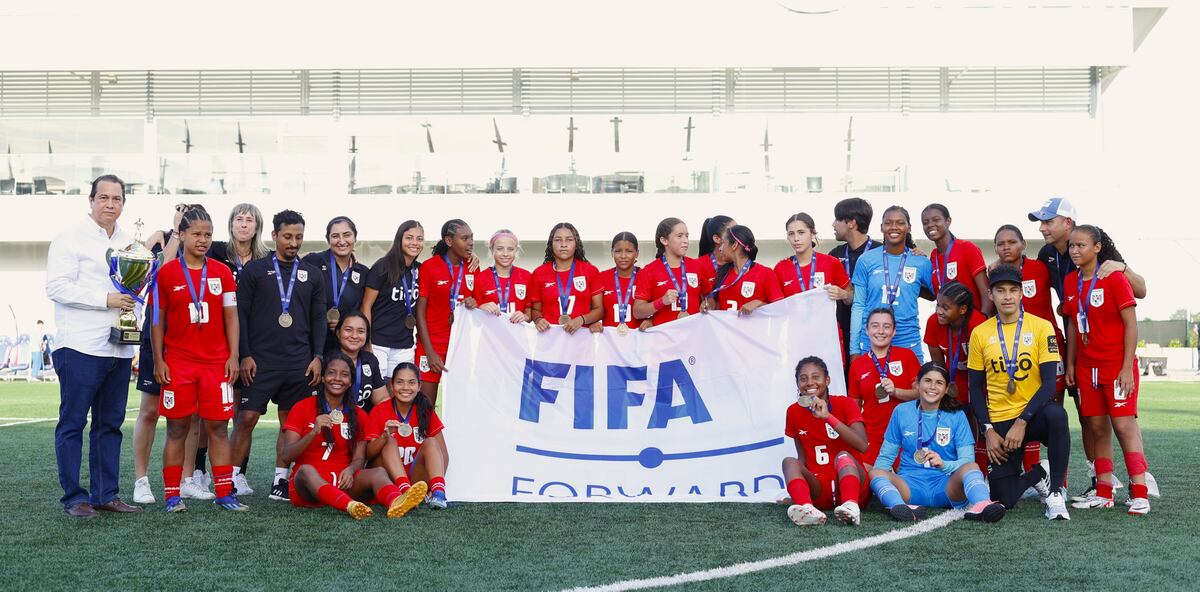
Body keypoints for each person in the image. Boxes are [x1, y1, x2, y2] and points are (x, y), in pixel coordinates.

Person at [1028, 197, 1156, 501]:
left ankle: (1141, 480)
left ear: (1068, 224)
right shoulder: (1048, 255)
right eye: (1041, 222)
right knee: (1091, 418)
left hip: (1110, 350)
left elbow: (1141, 291)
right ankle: (1100, 480)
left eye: (1048, 221)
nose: (1043, 228)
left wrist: (1121, 267)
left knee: (1123, 421)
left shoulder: (1104, 256)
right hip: (1081, 350)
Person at [45, 174, 143, 517]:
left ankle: (106, 494)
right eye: (104, 198)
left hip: (119, 347)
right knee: (73, 422)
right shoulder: (69, 238)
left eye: (116, 199)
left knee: (110, 424)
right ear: (91, 200)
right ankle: (75, 497)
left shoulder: (131, 243)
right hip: (79, 345)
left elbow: (135, 293)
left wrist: (134, 313)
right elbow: (57, 287)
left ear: (123, 204)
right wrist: (106, 299)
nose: (110, 204)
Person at [149, 207, 247, 512]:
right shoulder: (166, 273)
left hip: (216, 363)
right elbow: (157, 320)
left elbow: (232, 318)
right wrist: (158, 360)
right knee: (178, 429)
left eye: (208, 234)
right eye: (196, 234)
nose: (203, 240)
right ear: (182, 235)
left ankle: (224, 494)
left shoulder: (222, 272)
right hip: (178, 363)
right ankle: (172, 496)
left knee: (219, 428)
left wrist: (233, 355)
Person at [232, 209, 326, 502]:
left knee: (291, 422)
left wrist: (318, 356)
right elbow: (241, 317)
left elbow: (319, 319)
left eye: (298, 237)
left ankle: (280, 482)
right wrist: (244, 355)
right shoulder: (255, 271)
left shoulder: (311, 273)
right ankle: (232, 479)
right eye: (287, 236)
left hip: (299, 362)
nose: (293, 242)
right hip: (260, 360)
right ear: (274, 236)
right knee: (246, 418)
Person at [967, 264, 1070, 520]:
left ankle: (1056, 493)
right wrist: (988, 430)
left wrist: (1023, 421)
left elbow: (1049, 384)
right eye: (1000, 291)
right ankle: (1039, 474)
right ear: (991, 295)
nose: (1007, 296)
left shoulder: (1041, 327)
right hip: (1000, 421)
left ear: (1022, 293)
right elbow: (975, 389)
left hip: (1032, 417)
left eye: (1013, 290)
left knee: (1058, 416)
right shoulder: (980, 333)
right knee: (1005, 499)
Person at [1063, 225, 1152, 515]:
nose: (1075, 251)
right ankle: (1103, 491)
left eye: (1082, 245)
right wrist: (1073, 363)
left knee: (1124, 426)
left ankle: (1140, 493)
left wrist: (1127, 367)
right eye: (1072, 246)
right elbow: (1075, 327)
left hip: (1116, 366)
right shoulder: (1069, 282)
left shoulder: (1113, 277)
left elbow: (1131, 324)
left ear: (1097, 247)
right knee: (1098, 428)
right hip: (1088, 369)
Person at [280, 354, 428, 519]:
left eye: (344, 375)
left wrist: (351, 470)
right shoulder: (302, 407)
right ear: (322, 377)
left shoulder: (359, 415)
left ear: (351, 381)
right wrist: (313, 432)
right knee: (305, 470)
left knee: (377, 472)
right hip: (308, 487)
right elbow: (286, 455)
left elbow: (359, 458)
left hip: (343, 481)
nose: (337, 378)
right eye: (331, 373)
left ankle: (397, 501)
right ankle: (349, 505)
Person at [869, 362, 1006, 522]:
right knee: (875, 472)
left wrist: (944, 465)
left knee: (971, 467)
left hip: (946, 486)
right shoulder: (901, 411)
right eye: (927, 381)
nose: (932, 387)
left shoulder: (957, 415)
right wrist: (878, 484)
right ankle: (899, 507)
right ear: (917, 384)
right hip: (909, 486)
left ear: (946, 389)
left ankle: (983, 505)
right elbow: (886, 458)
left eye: (939, 382)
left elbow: (967, 460)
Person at [133, 203, 205, 505]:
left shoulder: (203, 246)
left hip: (191, 341)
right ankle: (141, 479)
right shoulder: (159, 240)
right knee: (150, 411)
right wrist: (173, 232)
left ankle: (188, 478)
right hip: (158, 335)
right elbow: (163, 275)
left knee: (192, 415)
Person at [207, 203, 269, 494]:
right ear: (230, 224)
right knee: (211, 411)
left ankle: (238, 472)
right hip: (214, 337)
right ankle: (198, 471)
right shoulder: (215, 252)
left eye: (250, 220)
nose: (244, 225)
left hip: (252, 341)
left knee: (245, 410)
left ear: (257, 226)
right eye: (239, 219)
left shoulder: (267, 259)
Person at [782, 356, 870, 526]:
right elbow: (803, 458)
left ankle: (851, 507)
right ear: (797, 383)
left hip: (851, 483)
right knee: (789, 462)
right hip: (819, 489)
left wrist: (828, 417)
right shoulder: (793, 412)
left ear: (827, 380)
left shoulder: (846, 403)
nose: (809, 382)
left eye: (816, 377)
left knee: (843, 455)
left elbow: (862, 445)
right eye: (803, 378)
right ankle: (807, 509)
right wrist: (798, 492)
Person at [850, 205, 934, 363]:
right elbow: (859, 305)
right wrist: (854, 349)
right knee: (871, 388)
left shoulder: (921, 262)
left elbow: (937, 295)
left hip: (907, 338)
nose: (894, 227)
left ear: (908, 227)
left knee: (913, 387)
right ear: (882, 227)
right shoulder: (866, 260)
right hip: (871, 339)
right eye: (888, 223)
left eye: (900, 223)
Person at [365, 362, 450, 510]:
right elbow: (368, 454)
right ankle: (404, 491)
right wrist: (384, 436)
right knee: (390, 440)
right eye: (400, 382)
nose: (405, 388)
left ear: (419, 386)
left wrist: (434, 485)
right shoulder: (379, 410)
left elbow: (443, 454)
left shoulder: (426, 411)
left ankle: (438, 494)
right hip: (389, 479)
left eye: (411, 383)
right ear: (391, 385)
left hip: (416, 481)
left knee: (430, 442)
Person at [846, 308, 918, 468]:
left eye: (886, 326)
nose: (880, 331)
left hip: (905, 435)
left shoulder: (907, 356)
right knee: (867, 485)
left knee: (908, 489)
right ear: (867, 329)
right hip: (873, 436)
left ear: (894, 331)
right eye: (875, 326)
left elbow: (921, 394)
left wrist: (896, 391)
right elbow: (854, 409)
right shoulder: (858, 365)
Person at [415, 219, 476, 406]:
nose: (471, 242)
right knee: (425, 407)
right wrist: (430, 352)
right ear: (449, 241)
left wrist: (475, 302)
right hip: (431, 346)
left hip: (459, 347)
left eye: (472, 237)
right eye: (464, 238)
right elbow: (419, 312)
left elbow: (479, 305)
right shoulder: (429, 266)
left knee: (459, 407)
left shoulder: (473, 267)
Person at [361, 220, 423, 379]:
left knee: (399, 393)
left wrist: (471, 257)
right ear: (399, 240)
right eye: (409, 238)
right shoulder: (383, 266)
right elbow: (366, 306)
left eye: (419, 239)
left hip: (404, 345)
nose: (414, 243)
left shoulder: (420, 270)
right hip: (378, 343)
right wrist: (367, 343)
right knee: (376, 393)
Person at [302, 216, 370, 356]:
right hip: (312, 344)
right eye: (335, 236)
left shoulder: (363, 272)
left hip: (346, 347)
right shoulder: (313, 261)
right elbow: (289, 261)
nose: (342, 241)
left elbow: (363, 310)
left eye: (347, 235)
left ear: (355, 238)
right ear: (328, 240)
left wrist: (343, 323)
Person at [633, 218, 714, 327]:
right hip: (664, 339)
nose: (685, 240)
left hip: (693, 336)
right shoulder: (649, 270)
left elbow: (709, 298)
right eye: (679, 236)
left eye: (687, 236)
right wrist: (662, 301)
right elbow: (637, 312)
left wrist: (707, 304)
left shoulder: (697, 266)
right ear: (664, 240)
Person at [829, 198, 876, 376]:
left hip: (873, 333)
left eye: (837, 219)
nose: (833, 224)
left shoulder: (881, 252)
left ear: (851, 223)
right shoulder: (834, 255)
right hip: (842, 332)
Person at [530, 223, 604, 334]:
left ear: (576, 243)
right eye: (558, 240)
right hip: (549, 339)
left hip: (581, 340)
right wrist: (538, 320)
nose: (563, 244)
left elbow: (599, 309)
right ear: (551, 244)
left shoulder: (590, 271)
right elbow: (535, 310)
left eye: (569, 240)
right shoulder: (539, 273)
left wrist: (582, 319)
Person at [921, 204, 992, 315]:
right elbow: (934, 294)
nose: (930, 225)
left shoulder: (967, 248)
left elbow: (986, 292)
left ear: (948, 221)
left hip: (972, 322)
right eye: (925, 222)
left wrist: (984, 320)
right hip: (948, 323)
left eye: (936, 220)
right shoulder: (933, 256)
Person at [923, 281, 986, 407]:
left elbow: (987, 365)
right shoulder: (933, 322)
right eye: (938, 306)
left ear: (962, 309)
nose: (939, 311)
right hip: (953, 377)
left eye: (945, 308)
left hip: (981, 379)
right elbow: (938, 366)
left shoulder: (978, 324)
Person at [773, 212, 852, 305]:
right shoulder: (781, 268)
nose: (796, 238)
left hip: (825, 319)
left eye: (801, 232)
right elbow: (775, 307)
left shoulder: (831, 262)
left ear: (813, 234)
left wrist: (844, 295)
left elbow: (852, 297)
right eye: (791, 234)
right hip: (796, 319)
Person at [706, 225, 782, 315]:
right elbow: (717, 307)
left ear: (734, 245)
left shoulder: (766, 273)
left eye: (723, 243)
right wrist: (708, 306)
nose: (720, 248)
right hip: (725, 329)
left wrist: (759, 304)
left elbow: (780, 311)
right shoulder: (722, 273)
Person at [471, 229, 532, 323]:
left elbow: (530, 311)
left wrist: (525, 317)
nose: (505, 254)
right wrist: (481, 308)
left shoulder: (526, 276)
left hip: (518, 336)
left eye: (510, 249)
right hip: (489, 337)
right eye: (500, 249)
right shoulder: (480, 278)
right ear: (492, 249)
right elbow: (473, 316)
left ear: (516, 250)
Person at [330, 312, 387, 412]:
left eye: (360, 331)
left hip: (363, 421)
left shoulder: (370, 360)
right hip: (332, 419)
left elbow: (382, 399)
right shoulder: (328, 361)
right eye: (348, 330)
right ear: (338, 333)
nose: (354, 336)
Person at [593, 232, 641, 335]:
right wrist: (593, 322)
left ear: (637, 253)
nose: (623, 256)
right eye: (618, 251)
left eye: (629, 251)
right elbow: (594, 309)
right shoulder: (601, 277)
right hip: (610, 342)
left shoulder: (646, 276)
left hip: (639, 340)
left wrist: (651, 321)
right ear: (612, 253)